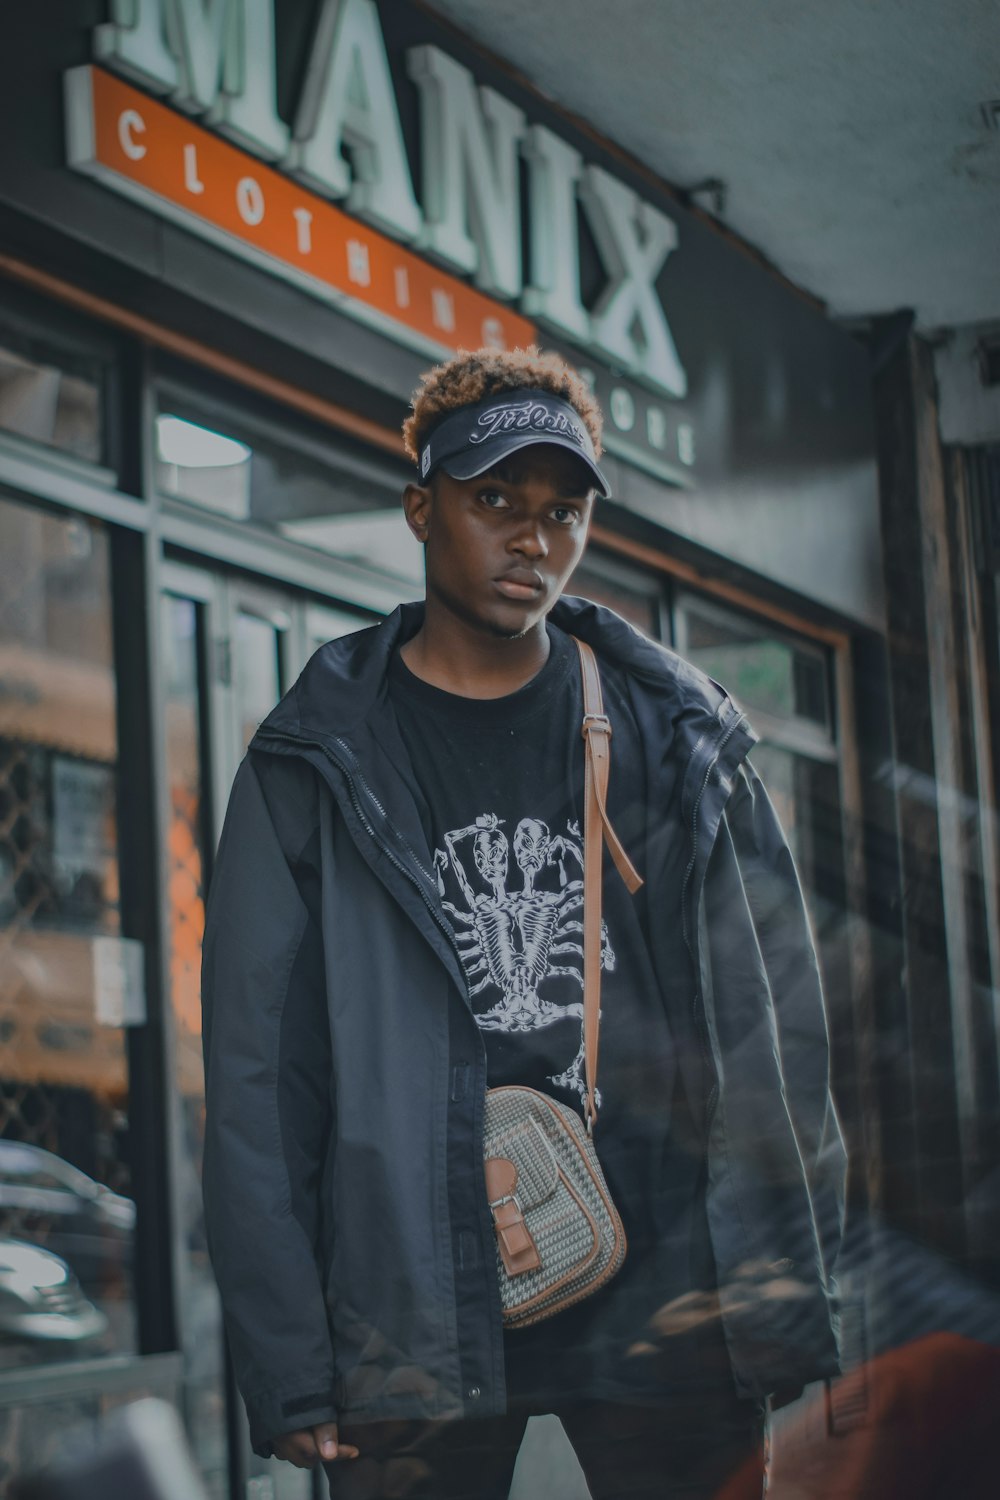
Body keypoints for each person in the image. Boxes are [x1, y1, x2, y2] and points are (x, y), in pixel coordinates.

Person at [201, 346, 846, 1499]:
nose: (530, 537)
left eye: (561, 510)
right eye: (492, 497)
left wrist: (788, 1294)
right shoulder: (318, 758)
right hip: (411, 1299)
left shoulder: (677, 738)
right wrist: (290, 1361)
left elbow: (780, 1035)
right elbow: (258, 1077)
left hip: (672, 1299)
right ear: (419, 507)